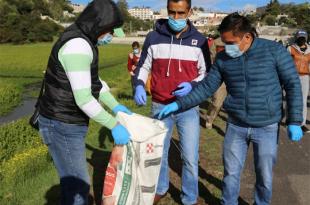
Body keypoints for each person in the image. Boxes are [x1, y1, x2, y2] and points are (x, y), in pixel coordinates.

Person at [158, 13, 303, 205]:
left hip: (266, 126)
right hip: (236, 125)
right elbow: (207, 87)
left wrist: (294, 121)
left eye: (231, 42)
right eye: (224, 43)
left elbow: (292, 84)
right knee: (231, 173)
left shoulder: (275, 51)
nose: (227, 48)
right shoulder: (223, 58)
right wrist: (179, 104)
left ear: (247, 37)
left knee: (265, 176)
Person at [37, 1, 132, 204]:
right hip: (61, 123)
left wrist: (114, 105)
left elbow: (94, 82)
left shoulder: (85, 40)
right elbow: (84, 99)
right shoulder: (78, 46)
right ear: (99, 25)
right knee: (78, 189)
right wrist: (113, 124)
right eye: (111, 32)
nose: (112, 37)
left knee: (73, 187)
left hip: (66, 120)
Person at [133, 0, 211, 204]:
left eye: (180, 13)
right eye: (172, 12)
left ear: (190, 12)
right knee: (159, 153)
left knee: (190, 158)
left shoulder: (200, 40)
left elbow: (207, 74)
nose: (175, 18)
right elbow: (143, 66)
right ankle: (161, 187)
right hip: (160, 106)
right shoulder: (153, 37)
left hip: (188, 107)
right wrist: (139, 85)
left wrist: (192, 85)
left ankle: (189, 197)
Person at [287, 30, 310, 133]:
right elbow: (285, 63)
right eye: (300, 37)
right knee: (291, 98)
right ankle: (290, 120)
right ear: (296, 37)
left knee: (303, 100)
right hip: (293, 76)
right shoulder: (290, 49)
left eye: (303, 37)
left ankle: (302, 123)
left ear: (306, 38)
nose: (302, 39)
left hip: (305, 77)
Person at [205, 37, 227, 129]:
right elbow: (211, 57)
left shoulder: (243, 40)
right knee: (217, 102)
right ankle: (209, 119)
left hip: (238, 76)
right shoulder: (217, 42)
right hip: (221, 76)